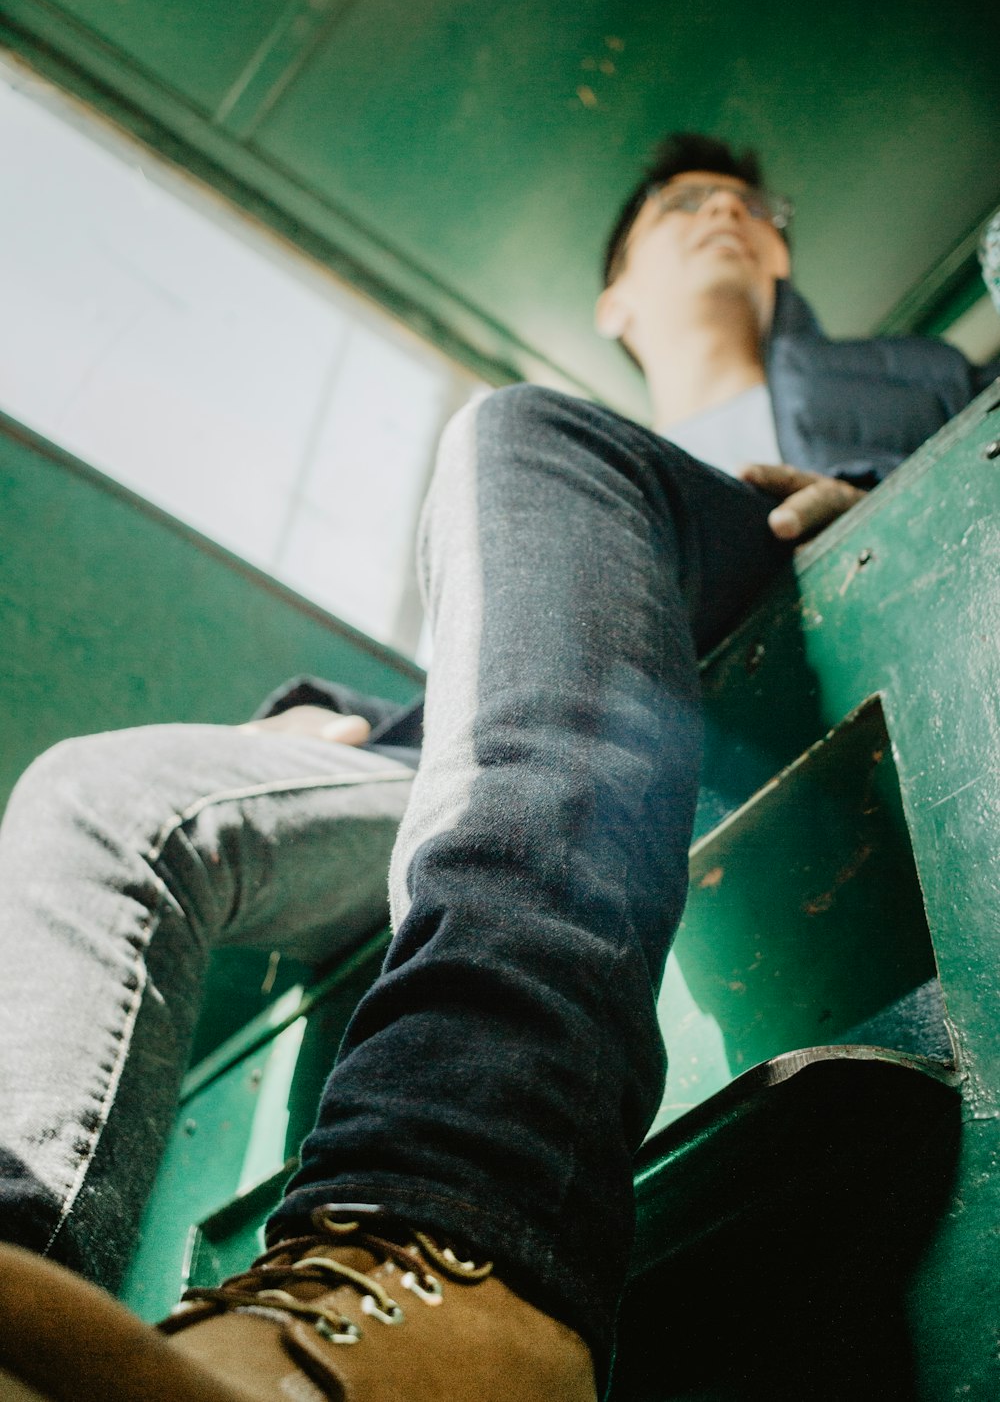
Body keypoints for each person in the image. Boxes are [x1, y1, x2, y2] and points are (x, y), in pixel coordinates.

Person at [0, 134, 995, 1402]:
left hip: (754, 602)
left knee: (520, 428)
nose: (725, 215)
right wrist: (314, 718)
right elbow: (495, 689)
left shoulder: (904, 380)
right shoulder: (539, 492)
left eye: (752, 206)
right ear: (615, 300)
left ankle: (456, 1231)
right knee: (104, 793)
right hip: (516, 736)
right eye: (685, 205)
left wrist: (877, 490)